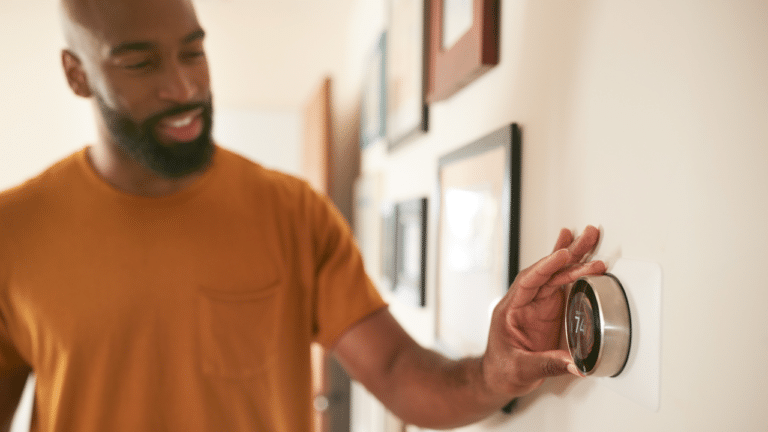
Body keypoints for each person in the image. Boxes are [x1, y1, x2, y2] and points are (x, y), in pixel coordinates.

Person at [0, 0, 606, 430]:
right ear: (77, 74)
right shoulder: (13, 231)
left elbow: (397, 371)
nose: (183, 86)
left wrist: (492, 373)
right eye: (141, 63)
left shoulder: (291, 211)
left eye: (194, 51)